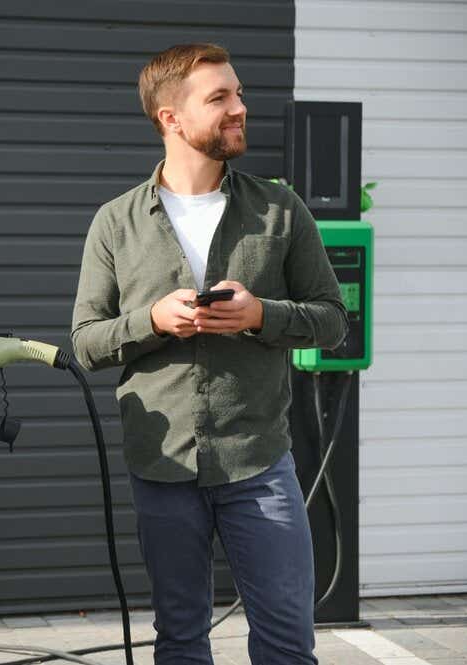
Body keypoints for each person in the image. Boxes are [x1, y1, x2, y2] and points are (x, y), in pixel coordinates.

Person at [71, 43, 347, 665]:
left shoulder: (280, 210)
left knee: (287, 644)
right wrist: (152, 321)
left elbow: (332, 321)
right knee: (180, 642)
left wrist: (260, 315)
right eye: (219, 98)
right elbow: (85, 341)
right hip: (163, 468)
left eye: (238, 93)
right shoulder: (116, 222)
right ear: (170, 117)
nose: (240, 108)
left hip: (259, 463)